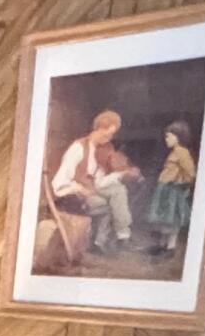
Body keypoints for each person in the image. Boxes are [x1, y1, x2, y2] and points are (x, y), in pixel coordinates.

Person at [47, 108, 139, 264]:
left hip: (94, 188)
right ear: (98, 129)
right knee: (108, 204)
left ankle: (122, 237)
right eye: (106, 134)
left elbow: (101, 180)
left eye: (112, 135)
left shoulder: (106, 149)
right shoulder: (78, 148)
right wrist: (79, 189)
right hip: (74, 193)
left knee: (119, 190)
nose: (109, 138)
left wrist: (121, 173)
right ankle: (101, 241)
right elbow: (59, 182)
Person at [148, 123, 197, 257]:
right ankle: (162, 245)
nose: (166, 140)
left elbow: (190, 172)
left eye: (169, 137)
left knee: (172, 218)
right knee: (164, 218)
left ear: (178, 137)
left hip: (173, 190)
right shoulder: (174, 152)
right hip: (164, 189)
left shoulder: (182, 153)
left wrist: (181, 183)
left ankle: (170, 247)